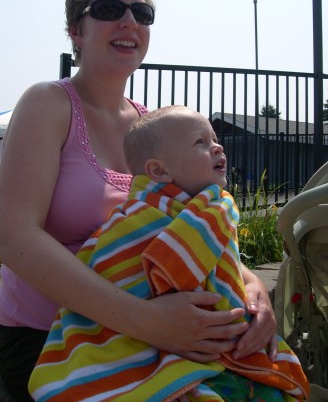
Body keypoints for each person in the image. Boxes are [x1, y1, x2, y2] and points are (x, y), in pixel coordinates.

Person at [0, 0, 277, 402]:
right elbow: (13, 237)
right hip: (56, 339)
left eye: (141, 13)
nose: (129, 21)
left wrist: (254, 290)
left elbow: (195, 225)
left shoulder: (152, 128)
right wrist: (146, 320)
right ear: (75, 30)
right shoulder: (48, 103)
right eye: (108, 9)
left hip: (152, 336)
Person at [29, 105, 309, 402]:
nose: (217, 146)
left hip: (221, 344)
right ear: (158, 170)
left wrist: (253, 289)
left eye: (213, 138)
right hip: (149, 345)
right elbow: (115, 269)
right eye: (200, 142)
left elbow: (224, 264)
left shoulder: (213, 209)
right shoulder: (137, 219)